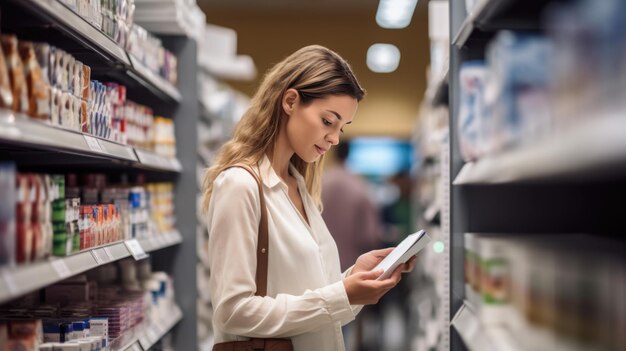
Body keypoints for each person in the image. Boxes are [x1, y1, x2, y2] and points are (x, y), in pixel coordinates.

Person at [201, 45, 416, 351]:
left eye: (342, 127)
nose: (335, 137)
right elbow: (233, 311)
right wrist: (342, 295)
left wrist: (355, 277)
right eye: (328, 121)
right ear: (290, 101)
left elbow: (313, 298)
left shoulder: (298, 185)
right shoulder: (240, 185)